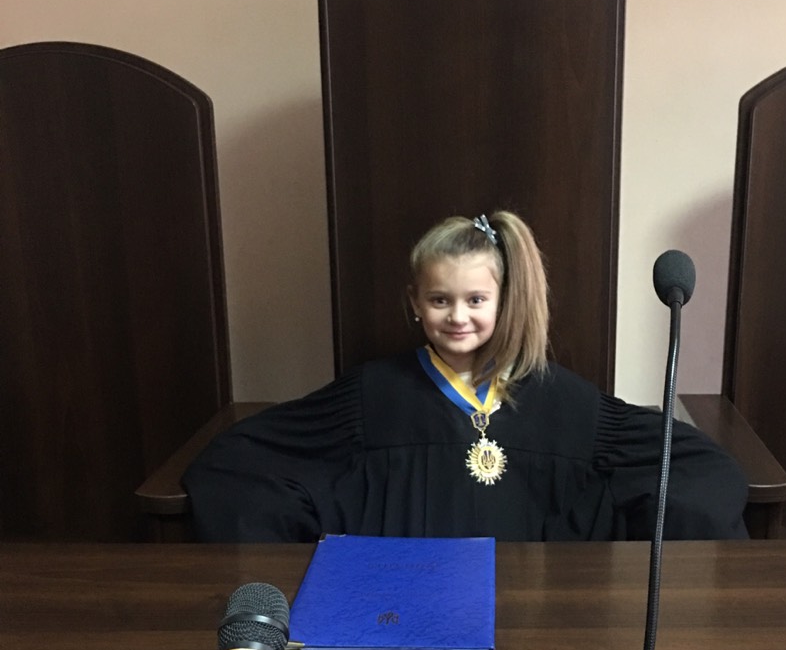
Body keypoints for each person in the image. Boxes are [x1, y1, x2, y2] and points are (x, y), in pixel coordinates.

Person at [184, 211, 749, 541]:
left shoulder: (563, 401)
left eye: (476, 299)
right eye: (440, 299)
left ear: (505, 300)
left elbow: (698, 470)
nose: (457, 316)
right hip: (404, 608)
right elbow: (246, 462)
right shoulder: (372, 396)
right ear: (415, 302)